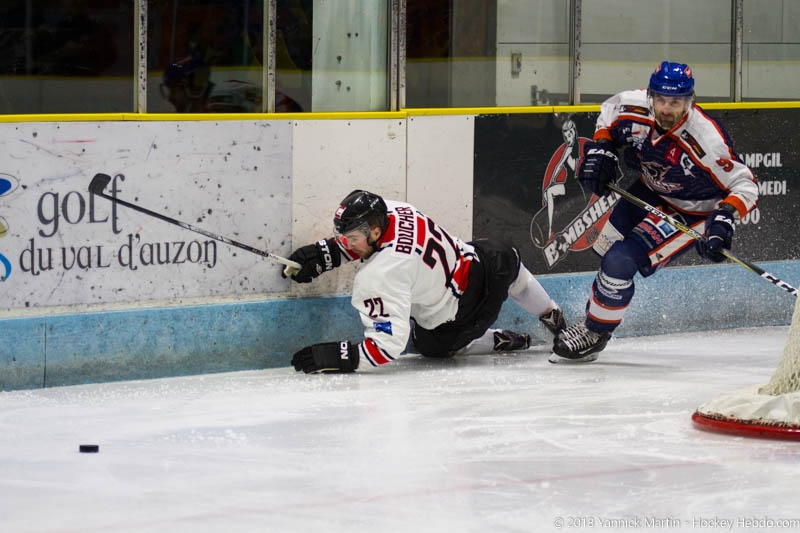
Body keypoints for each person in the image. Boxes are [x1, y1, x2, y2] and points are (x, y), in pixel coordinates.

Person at [550, 61, 758, 364]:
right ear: (651, 95)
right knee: (604, 247)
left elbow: (746, 184)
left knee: (619, 262)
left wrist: (724, 217)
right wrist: (602, 147)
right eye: (661, 99)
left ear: (690, 101)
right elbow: (609, 111)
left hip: (689, 212)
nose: (666, 108)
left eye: (675, 102)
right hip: (649, 189)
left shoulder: (706, 140)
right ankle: (602, 304)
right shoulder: (635, 105)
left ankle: (595, 332)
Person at [283, 190, 567, 374]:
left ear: (375, 230)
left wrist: (339, 356)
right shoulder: (396, 209)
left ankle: (499, 339)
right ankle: (553, 316)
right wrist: (327, 253)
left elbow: (387, 346)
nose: (347, 244)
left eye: (352, 240)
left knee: (432, 346)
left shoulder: (380, 275)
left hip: (463, 316)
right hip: (488, 261)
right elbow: (372, 240)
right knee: (508, 263)